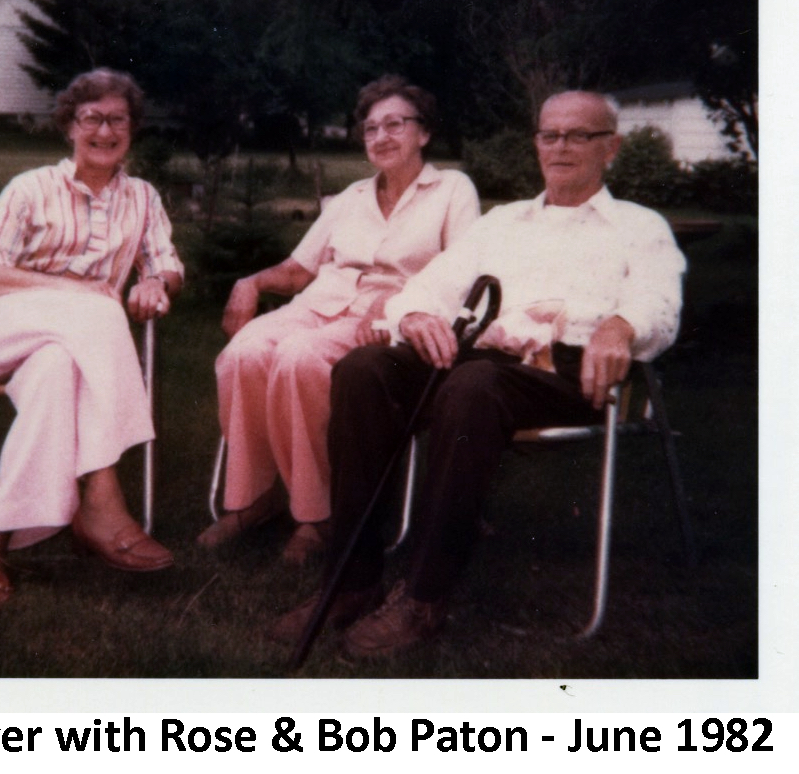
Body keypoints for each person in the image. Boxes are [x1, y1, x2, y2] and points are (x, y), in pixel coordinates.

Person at [271, 90, 687, 655]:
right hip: (484, 363)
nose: (560, 146)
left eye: (578, 135)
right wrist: (416, 313)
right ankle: (352, 582)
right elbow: (431, 285)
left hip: (571, 370)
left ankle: (423, 598)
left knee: (471, 385)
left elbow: (660, 299)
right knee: (364, 368)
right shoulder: (505, 221)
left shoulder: (640, 226)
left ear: (610, 147)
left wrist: (621, 326)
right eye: (549, 134)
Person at [199, 76, 480, 564]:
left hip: (389, 318)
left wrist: (399, 303)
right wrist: (250, 283)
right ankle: (254, 498)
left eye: (395, 124)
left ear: (424, 133)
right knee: (240, 352)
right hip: (318, 304)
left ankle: (316, 515)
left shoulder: (452, 189)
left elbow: (463, 270)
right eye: (371, 129)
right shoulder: (351, 196)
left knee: (299, 359)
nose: (381, 137)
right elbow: (297, 270)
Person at [0, 69, 184, 609]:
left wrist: (152, 280)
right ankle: (101, 496)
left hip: (67, 346)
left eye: (117, 118)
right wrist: (75, 290)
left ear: (132, 128)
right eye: (91, 118)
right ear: (69, 126)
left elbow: (168, 265)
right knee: (98, 306)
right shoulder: (31, 188)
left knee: (57, 371)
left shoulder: (143, 198)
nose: (104, 129)